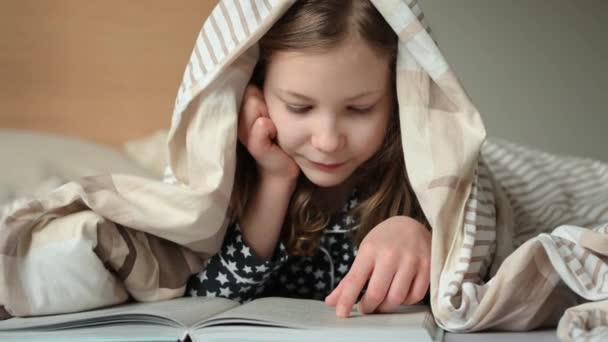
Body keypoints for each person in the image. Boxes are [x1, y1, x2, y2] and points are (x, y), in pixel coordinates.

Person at [186, 0, 431, 318]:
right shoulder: (234, 176)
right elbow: (206, 303)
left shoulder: (419, 179)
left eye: (359, 109)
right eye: (299, 107)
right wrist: (275, 178)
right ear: (254, 91)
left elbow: (467, 294)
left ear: (399, 97)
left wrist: (419, 235)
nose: (328, 141)